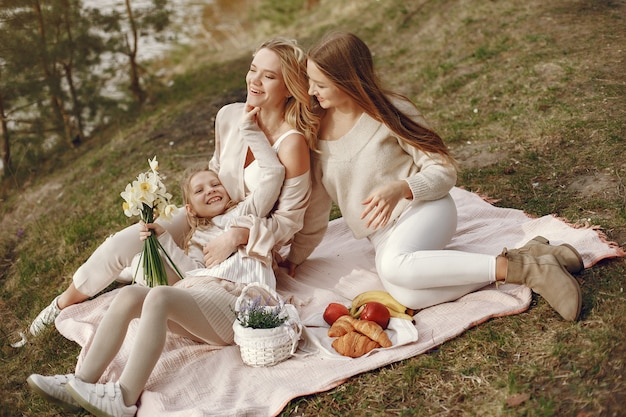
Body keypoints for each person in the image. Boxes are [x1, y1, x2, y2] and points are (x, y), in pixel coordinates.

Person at [283, 31, 583, 322]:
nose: (310, 91)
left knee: (393, 266)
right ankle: (529, 258)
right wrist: (296, 255)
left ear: (347, 82)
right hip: (383, 235)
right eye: (310, 81)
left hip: (425, 210)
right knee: (409, 296)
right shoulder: (316, 132)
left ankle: (530, 270)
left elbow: (444, 171)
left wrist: (401, 188)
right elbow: (317, 204)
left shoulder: (389, 111)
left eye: (320, 83)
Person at [28, 37, 317, 337]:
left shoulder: (291, 143)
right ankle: (62, 304)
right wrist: (196, 215)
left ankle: (146, 282)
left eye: (268, 76)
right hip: (208, 214)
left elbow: (289, 221)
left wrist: (237, 234)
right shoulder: (230, 116)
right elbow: (216, 170)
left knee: (157, 272)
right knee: (127, 241)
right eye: (253, 69)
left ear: (289, 87)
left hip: (249, 237)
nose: (254, 81)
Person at [26, 160, 287, 416]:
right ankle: (81, 380)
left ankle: (124, 397)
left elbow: (274, 172)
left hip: (240, 301)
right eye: (200, 190)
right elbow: (191, 274)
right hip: (205, 298)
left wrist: (250, 125)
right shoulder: (197, 239)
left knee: (160, 296)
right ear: (190, 210)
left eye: (215, 184)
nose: (210, 190)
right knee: (131, 294)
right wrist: (162, 238)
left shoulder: (244, 215)